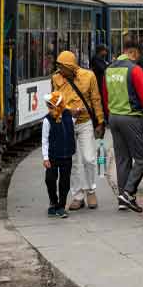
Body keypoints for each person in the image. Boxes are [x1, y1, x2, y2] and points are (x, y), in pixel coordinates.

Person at [105, 40, 143, 213]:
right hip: (131, 118)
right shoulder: (134, 70)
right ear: (134, 53)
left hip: (114, 117)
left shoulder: (109, 70)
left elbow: (105, 96)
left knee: (122, 159)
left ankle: (123, 200)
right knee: (141, 159)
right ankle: (128, 193)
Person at [50, 50, 105, 211]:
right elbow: (55, 101)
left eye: (63, 67)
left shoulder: (89, 76)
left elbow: (96, 99)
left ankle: (91, 191)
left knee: (89, 158)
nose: (60, 70)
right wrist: (67, 111)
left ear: (71, 66)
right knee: (72, 161)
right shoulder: (56, 78)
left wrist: (100, 122)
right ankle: (77, 196)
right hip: (66, 124)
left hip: (86, 122)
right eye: (59, 67)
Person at [41, 93, 76, 218]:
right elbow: (45, 140)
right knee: (50, 179)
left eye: (51, 106)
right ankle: (53, 202)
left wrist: (76, 113)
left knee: (64, 182)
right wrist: (45, 158)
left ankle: (61, 206)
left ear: (58, 106)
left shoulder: (68, 115)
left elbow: (73, 124)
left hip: (67, 155)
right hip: (53, 156)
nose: (49, 109)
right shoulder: (47, 120)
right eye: (48, 107)